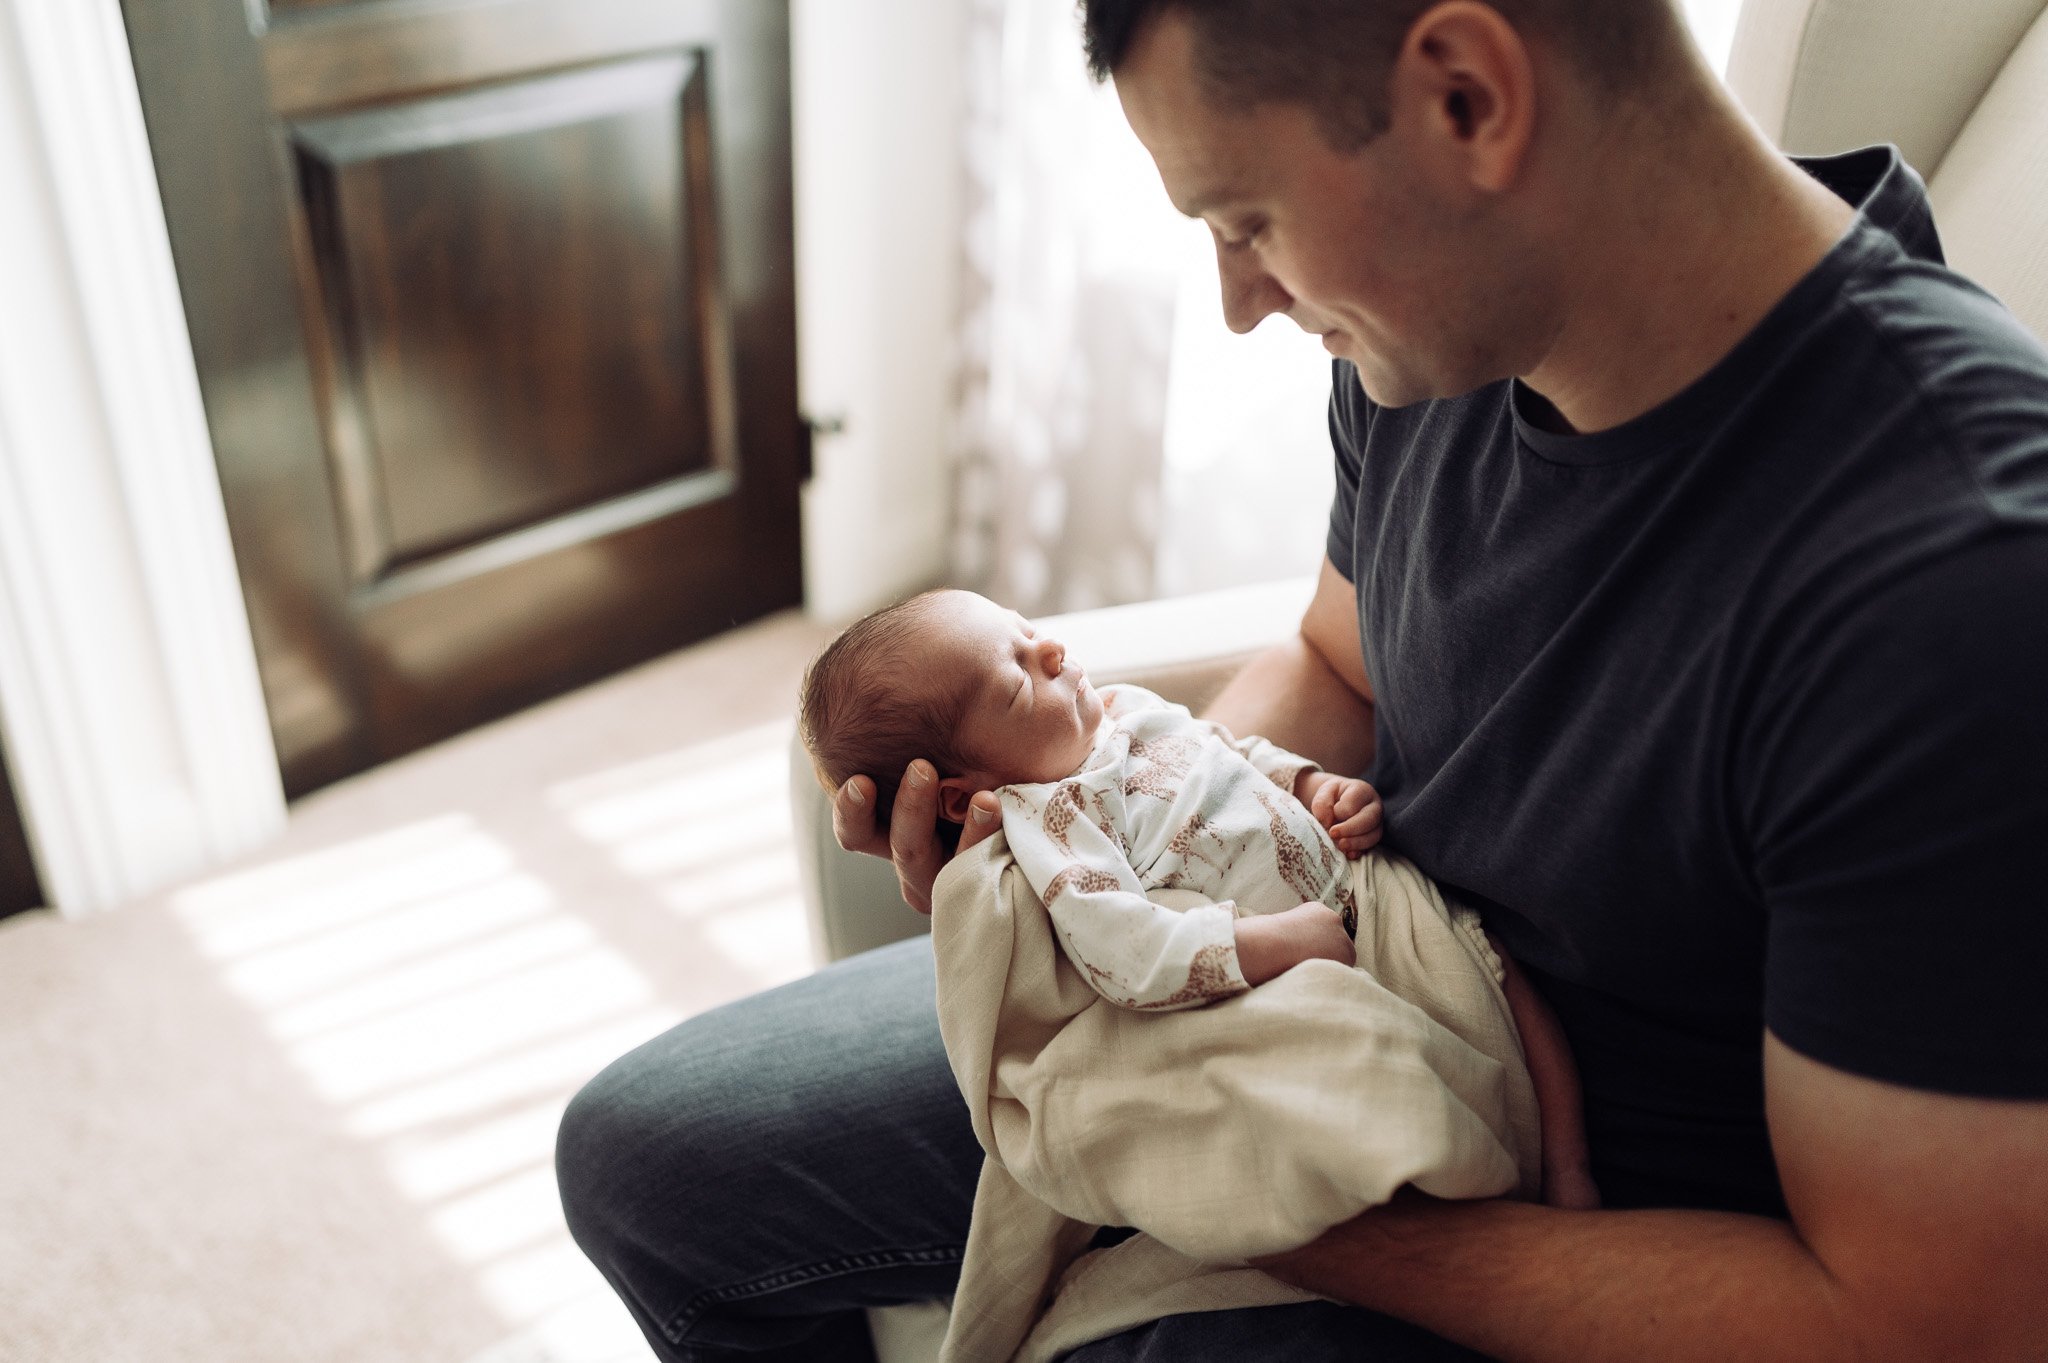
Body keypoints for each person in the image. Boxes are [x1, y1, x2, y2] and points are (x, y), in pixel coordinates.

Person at [557, 1, 2048, 1359]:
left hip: (1581, 1199)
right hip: (1302, 972)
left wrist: (1273, 1200)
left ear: (1466, 97)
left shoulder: (1949, 583)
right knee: (645, 1159)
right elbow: (1341, 655)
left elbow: (1918, 1324)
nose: (1238, 302)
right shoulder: (1448, 339)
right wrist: (1126, 836)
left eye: (1245, 218)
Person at [797, 586, 1373, 1009]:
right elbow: (1128, 955)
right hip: (1289, 971)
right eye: (1019, 680)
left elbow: (1224, 752)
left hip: (1369, 897)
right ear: (957, 799)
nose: (1052, 651)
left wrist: (1309, 785)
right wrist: (1282, 943)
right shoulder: (1055, 820)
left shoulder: (1122, 705)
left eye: (1028, 630)